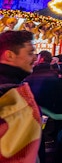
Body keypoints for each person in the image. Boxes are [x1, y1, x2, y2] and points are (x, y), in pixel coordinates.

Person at [0, 30, 41, 163]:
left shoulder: (14, 85)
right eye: (30, 53)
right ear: (9, 55)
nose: (35, 58)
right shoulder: (8, 91)